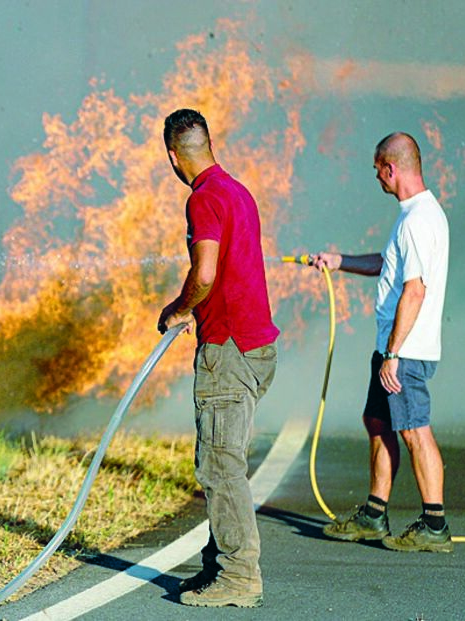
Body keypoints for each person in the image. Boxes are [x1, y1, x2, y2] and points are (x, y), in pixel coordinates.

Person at [157, 108, 280, 608]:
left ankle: (238, 577)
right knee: (222, 459)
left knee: (219, 467)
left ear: (172, 155)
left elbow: (204, 274)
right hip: (256, 346)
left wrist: (178, 308)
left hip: (228, 350)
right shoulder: (238, 191)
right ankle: (217, 567)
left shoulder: (204, 199)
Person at [312, 131, 451, 553]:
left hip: (405, 352)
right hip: (393, 348)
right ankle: (374, 515)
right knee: (378, 422)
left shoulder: (417, 221)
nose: (377, 179)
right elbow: (388, 266)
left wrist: (392, 355)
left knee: (414, 430)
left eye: (378, 171)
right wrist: (341, 262)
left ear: (392, 168)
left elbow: (414, 290)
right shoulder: (415, 216)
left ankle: (435, 525)